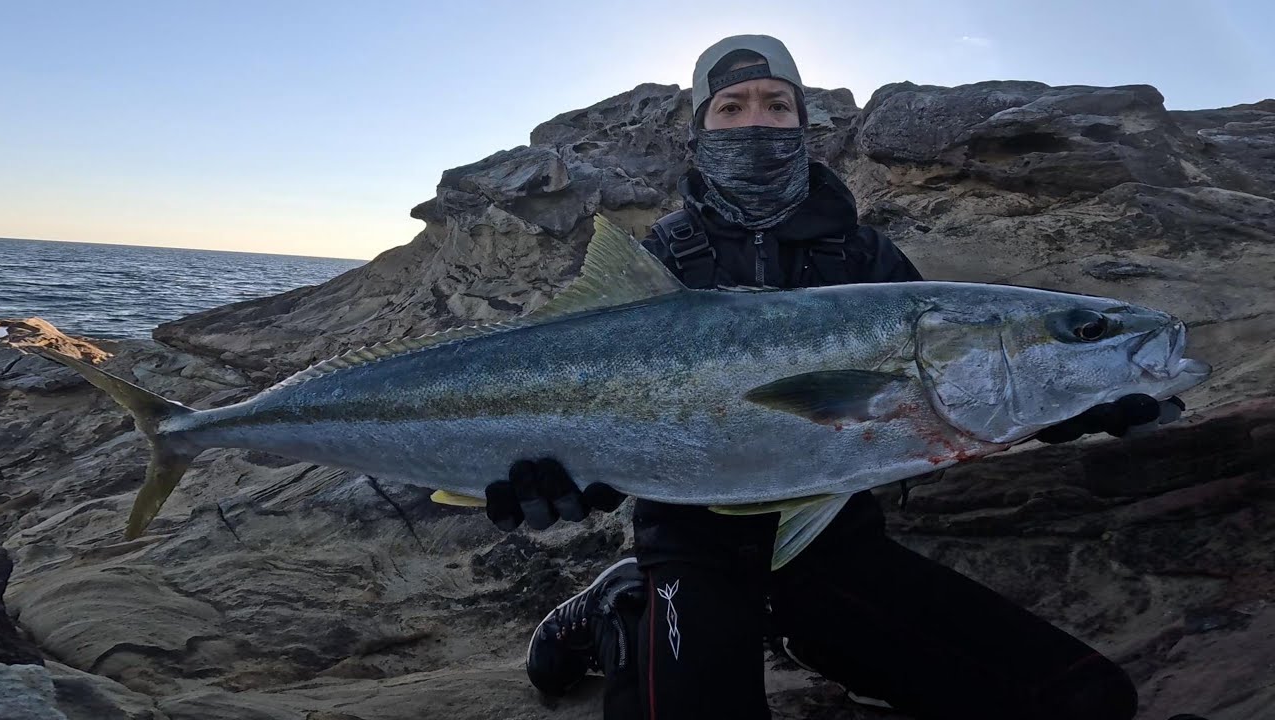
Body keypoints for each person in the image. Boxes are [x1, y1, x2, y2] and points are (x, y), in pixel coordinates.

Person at [483, 35, 1194, 720]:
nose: (755, 120)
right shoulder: (661, 259)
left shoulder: (868, 260)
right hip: (688, 542)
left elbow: (957, 395)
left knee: (1086, 701)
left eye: (775, 104)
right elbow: (581, 396)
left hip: (836, 540)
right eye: (731, 108)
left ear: (803, 123)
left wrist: (1072, 403)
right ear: (698, 131)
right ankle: (622, 602)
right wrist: (552, 469)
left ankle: (810, 630)